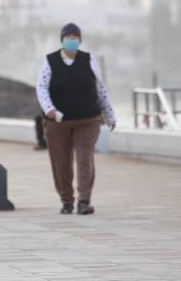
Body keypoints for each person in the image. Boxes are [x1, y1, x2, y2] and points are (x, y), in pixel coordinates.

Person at [36, 23, 116, 216]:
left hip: (87, 119)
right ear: (62, 39)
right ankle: (66, 200)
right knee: (60, 162)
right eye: (68, 36)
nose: (72, 40)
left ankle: (84, 201)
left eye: (75, 36)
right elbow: (41, 88)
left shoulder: (89, 60)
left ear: (80, 39)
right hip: (58, 122)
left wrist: (109, 114)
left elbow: (100, 88)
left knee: (84, 158)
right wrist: (50, 110)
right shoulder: (50, 61)